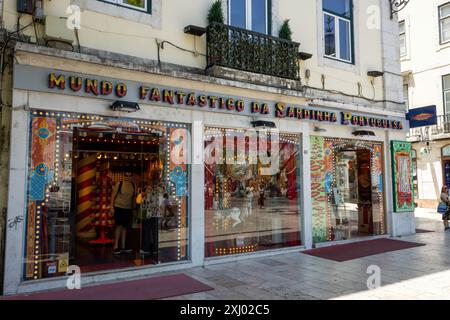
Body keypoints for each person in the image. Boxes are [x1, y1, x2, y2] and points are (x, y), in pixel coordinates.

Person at [110, 171, 136, 255]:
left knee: (124, 227)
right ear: (123, 176)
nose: (127, 177)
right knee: (118, 226)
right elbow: (113, 196)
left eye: (129, 175)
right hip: (119, 207)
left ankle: (123, 246)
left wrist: (134, 209)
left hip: (128, 208)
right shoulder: (119, 184)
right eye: (126, 175)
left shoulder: (133, 185)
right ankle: (116, 246)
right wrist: (111, 207)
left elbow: (134, 198)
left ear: (132, 176)